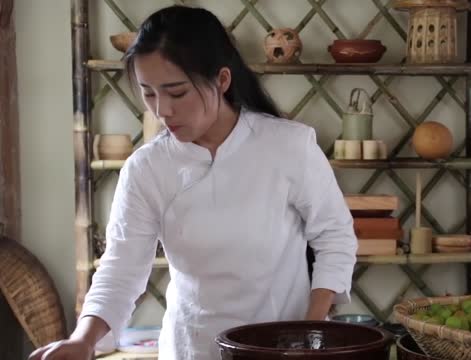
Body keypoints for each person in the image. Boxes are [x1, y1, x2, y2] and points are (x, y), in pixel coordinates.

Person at [30, 5, 357, 360]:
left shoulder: (289, 146)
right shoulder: (147, 169)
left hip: (283, 351)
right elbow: (121, 269)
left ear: (222, 80)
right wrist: (82, 339)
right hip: (190, 350)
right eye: (149, 92)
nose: (161, 111)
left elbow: (334, 236)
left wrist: (311, 331)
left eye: (176, 92)